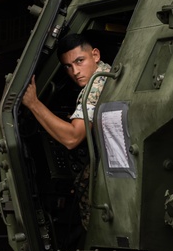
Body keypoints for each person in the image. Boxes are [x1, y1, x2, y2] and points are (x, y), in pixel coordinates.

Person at [21, 33, 111, 229]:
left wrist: (33, 103)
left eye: (80, 61)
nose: (75, 71)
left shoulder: (95, 87)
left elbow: (72, 138)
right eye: (68, 67)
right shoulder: (107, 73)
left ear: (95, 55)